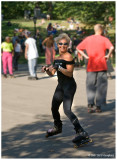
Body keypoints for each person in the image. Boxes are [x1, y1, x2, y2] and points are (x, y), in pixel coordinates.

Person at [41, 33, 91, 147]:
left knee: (67, 110)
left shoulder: (69, 56)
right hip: (60, 86)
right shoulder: (57, 57)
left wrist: (59, 68)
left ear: (68, 45)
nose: (63, 46)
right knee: (54, 107)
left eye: (65, 44)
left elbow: (69, 73)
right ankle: (57, 127)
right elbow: (52, 73)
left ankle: (82, 132)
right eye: (60, 44)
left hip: (69, 86)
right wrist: (46, 70)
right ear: (57, 44)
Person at [76, 24, 114, 113]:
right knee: (101, 86)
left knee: (90, 86)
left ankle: (90, 105)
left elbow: (78, 48)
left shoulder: (88, 39)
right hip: (102, 65)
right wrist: (108, 55)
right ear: (101, 30)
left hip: (91, 66)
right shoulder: (104, 39)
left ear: (95, 30)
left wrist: (86, 56)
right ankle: (98, 106)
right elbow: (111, 47)